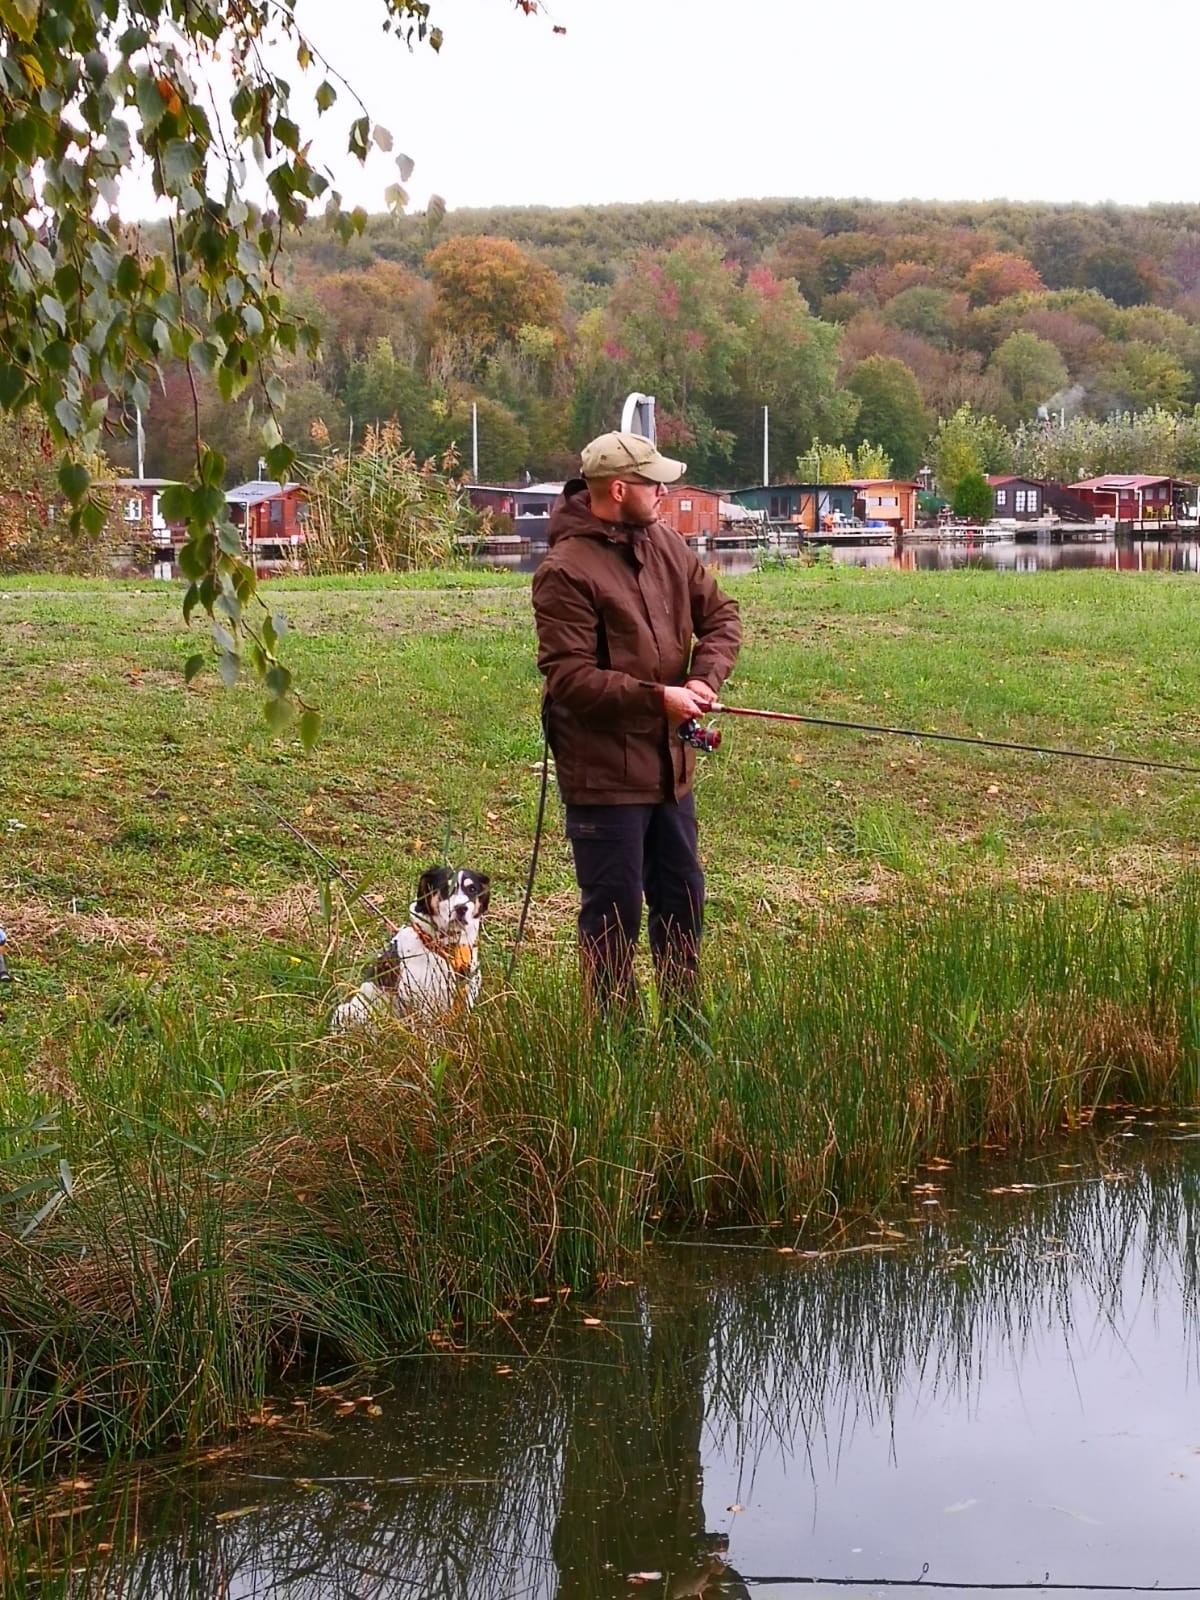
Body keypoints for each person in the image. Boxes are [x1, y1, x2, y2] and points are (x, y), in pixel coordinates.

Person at [531, 431, 741, 1010]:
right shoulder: (564, 570)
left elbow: (721, 616)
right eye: (654, 484)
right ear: (619, 489)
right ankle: (616, 1050)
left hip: (670, 774)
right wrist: (660, 699)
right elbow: (569, 681)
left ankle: (683, 1029)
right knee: (612, 920)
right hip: (603, 780)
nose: (664, 494)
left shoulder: (667, 544)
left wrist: (703, 681)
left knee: (684, 902)